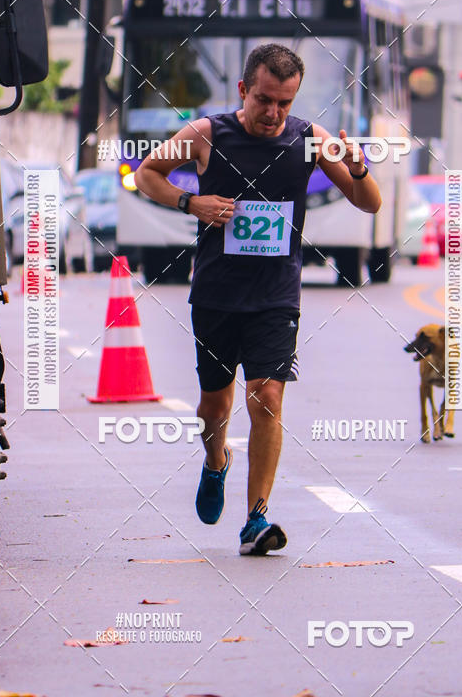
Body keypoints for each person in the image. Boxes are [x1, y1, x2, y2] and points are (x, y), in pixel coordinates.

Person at [134, 43, 381, 556]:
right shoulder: (206, 134)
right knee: (215, 404)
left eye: (285, 103)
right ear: (244, 90)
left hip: (276, 295)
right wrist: (191, 201)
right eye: (265, 99)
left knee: (266, 398)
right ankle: (216, 460)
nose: (274, 113)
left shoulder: (311, 140)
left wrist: (357, 170)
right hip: (217, 294)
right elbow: (147, 174)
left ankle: (255, 519)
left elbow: (369, 204)